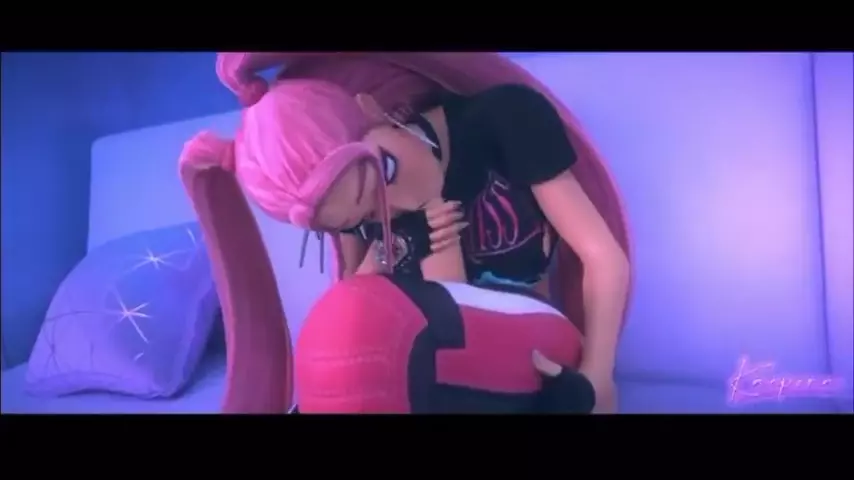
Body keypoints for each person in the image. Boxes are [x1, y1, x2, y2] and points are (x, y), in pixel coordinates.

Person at [179, 53, 631, 413]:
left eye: (386, 174)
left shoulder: (503, 118)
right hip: (429, 369)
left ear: (371, 111)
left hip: (532, 351)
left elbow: (603, 258)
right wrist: (394, 249)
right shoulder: (365, 219)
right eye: (360, 219)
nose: (395, 207)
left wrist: (597, 376)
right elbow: (358, 311)